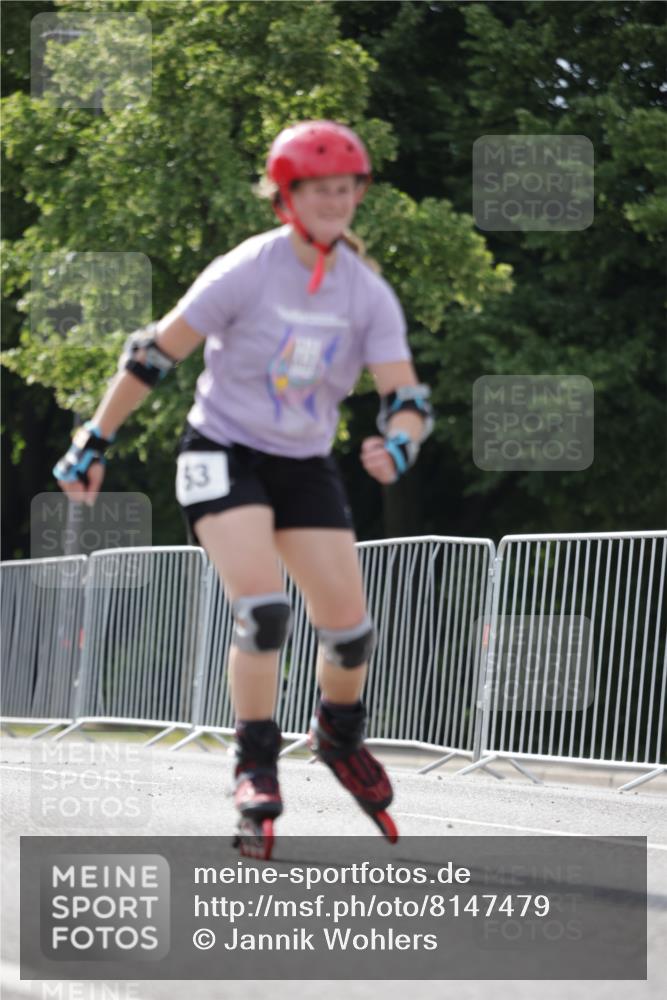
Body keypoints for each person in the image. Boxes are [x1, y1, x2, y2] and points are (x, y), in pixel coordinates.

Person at [53, 120, 433, 858]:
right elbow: (153, 354)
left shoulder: (365, 292)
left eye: (346, 187)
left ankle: (338, 735)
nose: (335, 199)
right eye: (319, 188)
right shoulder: (248, 269)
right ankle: (255, 762)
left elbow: (406, 398)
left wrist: (398, 445)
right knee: (264, 615)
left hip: (302, 464)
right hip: (222, 453)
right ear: (286, 196)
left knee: (350, 633)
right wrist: (92, 439)